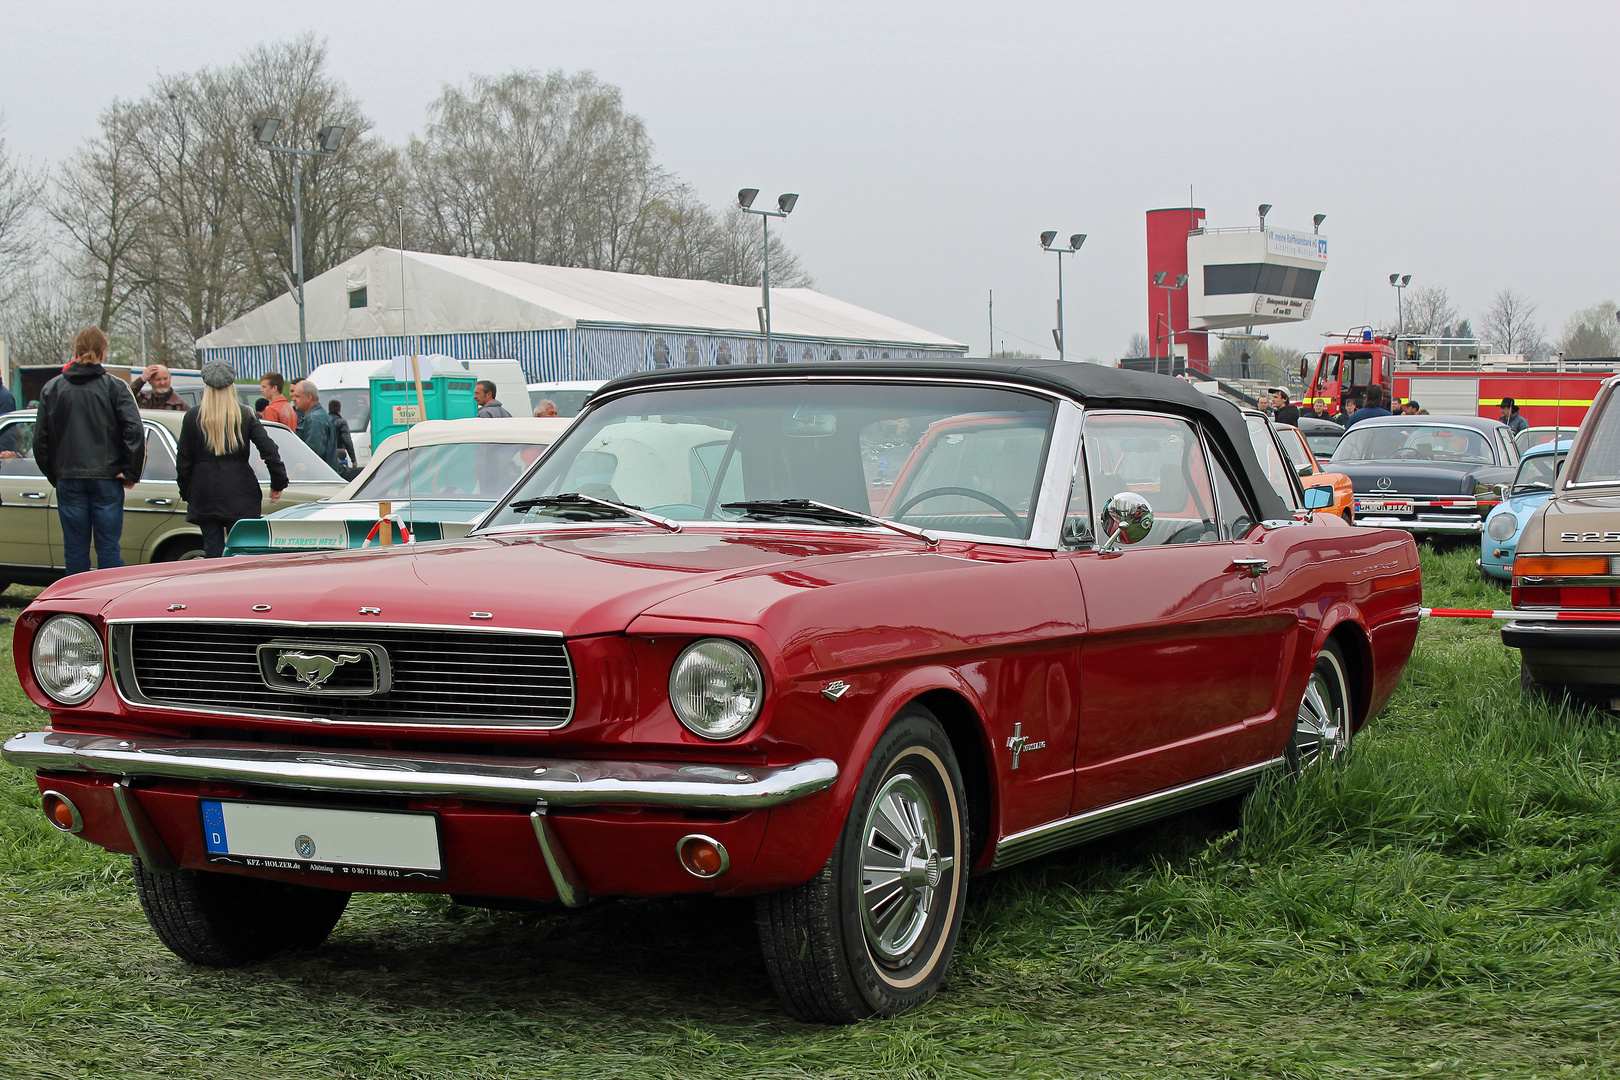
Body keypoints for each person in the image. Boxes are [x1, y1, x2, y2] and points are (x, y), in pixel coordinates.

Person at [34, 327, 145, 575]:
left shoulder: (52, 388)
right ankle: (109, 603)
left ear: (76, 351)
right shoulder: (115, 387)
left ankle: (76, 604)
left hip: (69, 477)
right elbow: (134, 431)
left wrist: (57, 474)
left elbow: (40, 440)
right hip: (107, 477)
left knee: (74, 548)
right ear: (103, 352)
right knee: (108, 548)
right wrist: (130, 471)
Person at [176, 362, 286, 558]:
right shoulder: (245, 414)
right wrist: (278, 482)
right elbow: (269, 449)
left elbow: (184, 460)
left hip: (204, 492)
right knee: (241, 551)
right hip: (240, 491)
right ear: (231, 386)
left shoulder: (193, 416)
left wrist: (187, 492)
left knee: (212, 549)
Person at [291, 380, 342, 469]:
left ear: (308, 397)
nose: (293, 399)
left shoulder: (314, 419)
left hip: (318, 476)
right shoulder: (316, 416)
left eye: (297, 396)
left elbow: (313, 455)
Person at [328, 399, 356, 465]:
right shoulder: (341, 422)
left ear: (329, 409)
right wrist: (353, 459)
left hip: (327, 455)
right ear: (339, 410)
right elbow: (347, 441)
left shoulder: (324, 421)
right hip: (339, 455)